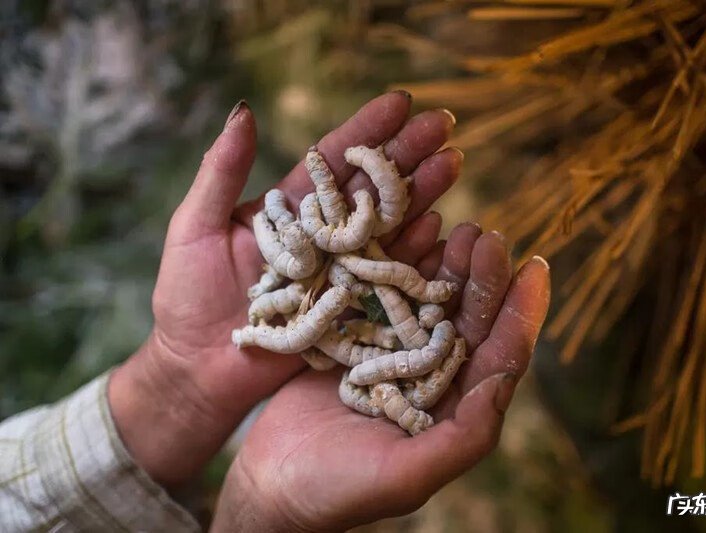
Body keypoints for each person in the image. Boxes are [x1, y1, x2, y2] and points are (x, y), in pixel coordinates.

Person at [0, 91, 550, 532]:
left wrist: (178, 379)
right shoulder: (330, 282)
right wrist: (257, 517)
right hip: (338, 307)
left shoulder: (333, 275)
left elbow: (19, 499)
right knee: (380, 300)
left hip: (340, 305)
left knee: (379, 297)